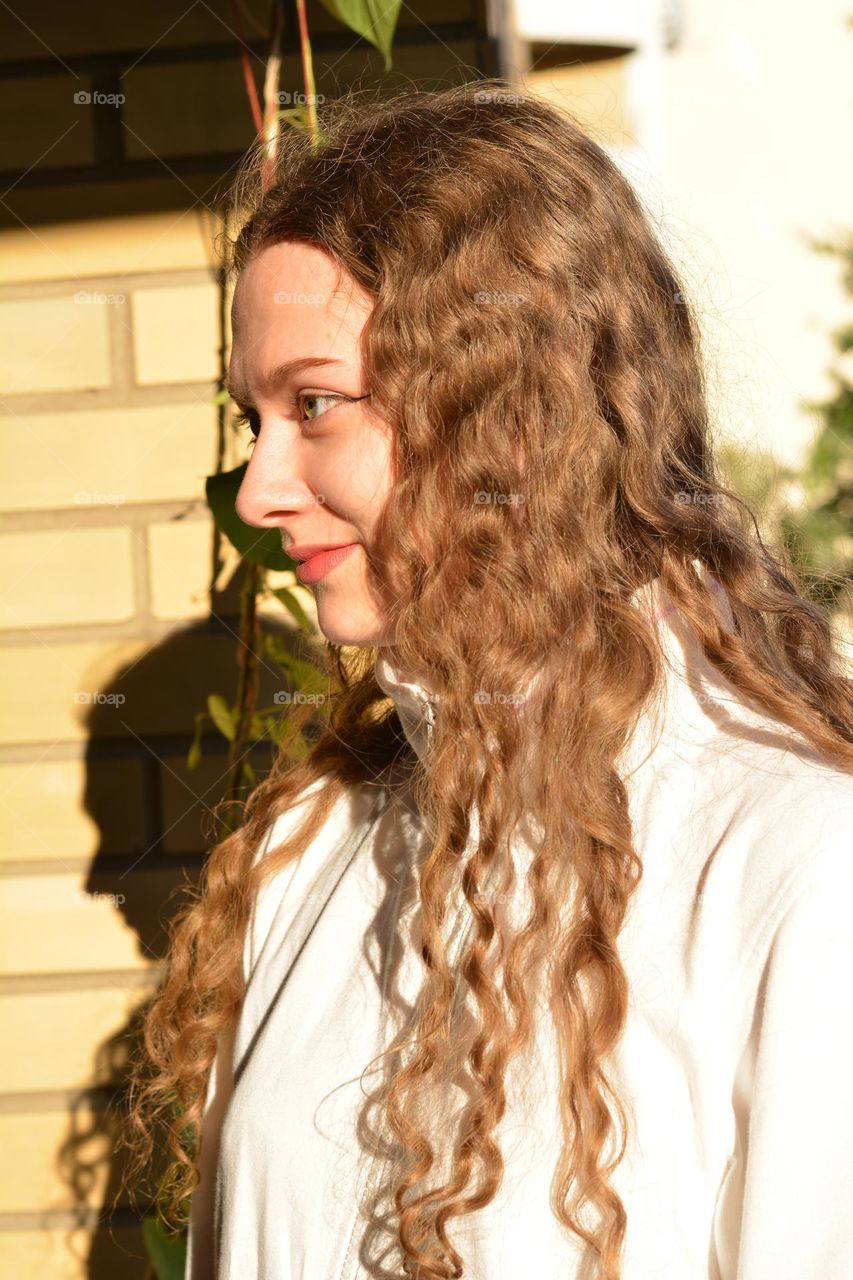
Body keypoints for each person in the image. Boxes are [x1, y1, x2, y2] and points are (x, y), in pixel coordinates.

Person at [122, 81, 853, 1280]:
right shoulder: (311, 842)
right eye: (252, 414)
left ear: (506, 410)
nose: (256, 491)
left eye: (313, 405)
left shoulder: (790, 870)